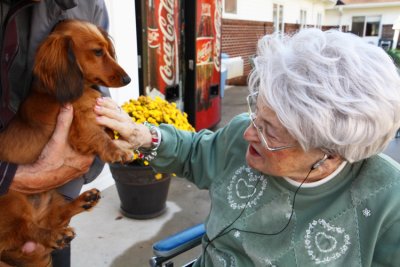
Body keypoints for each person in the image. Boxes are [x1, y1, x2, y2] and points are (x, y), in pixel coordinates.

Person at [95, 28, 400, 266]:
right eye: (258, 114)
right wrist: (141, 137)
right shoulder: (241, 132)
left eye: (271, 132)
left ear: (330, 153)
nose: (248, 133)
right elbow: (194, 154)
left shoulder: (388, 198)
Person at [0, 0, 109, 266]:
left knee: (46, 248)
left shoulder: (88, 5)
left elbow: (98, 93)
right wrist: (11, 176)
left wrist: (78, 164)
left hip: (54, 205)